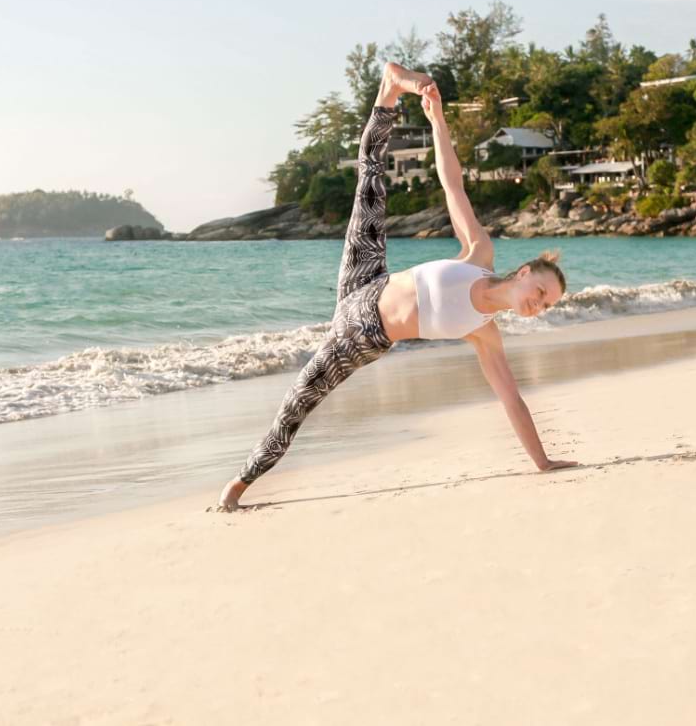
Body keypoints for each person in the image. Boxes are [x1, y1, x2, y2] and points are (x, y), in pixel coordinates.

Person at [216, 62, 578, 512]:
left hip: (360, 339)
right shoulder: (478, 254)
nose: (539, 306)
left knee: (296, 405)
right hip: (365, 278)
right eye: (542, 293)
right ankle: (390, 88)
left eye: (547, 306)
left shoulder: (485, 332)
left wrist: (542, 462)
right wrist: (438, 122)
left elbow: (513, 400)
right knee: (370, 181)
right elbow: (453, 185)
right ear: (524, 273)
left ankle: (239, 483)